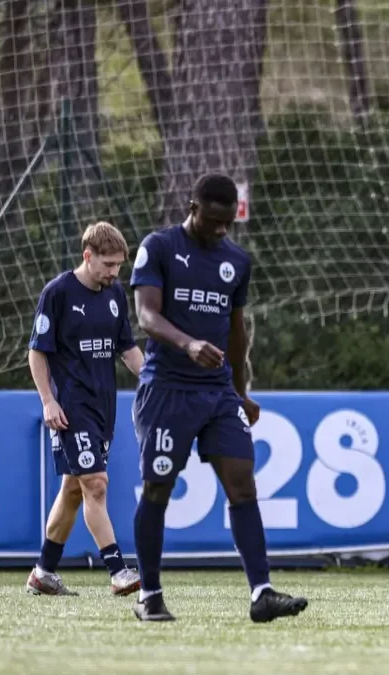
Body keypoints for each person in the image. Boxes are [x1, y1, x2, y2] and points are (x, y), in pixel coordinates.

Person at [130, 173, 308, 622]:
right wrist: (187, 344)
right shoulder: (160, 246)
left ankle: (262, 593)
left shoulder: (236, 261)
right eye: (213, 220)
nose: (221, 230)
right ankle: (148, 594)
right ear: (193, 207)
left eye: (228, 222)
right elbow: (147, 315)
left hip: (217, 393)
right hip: (168, 389)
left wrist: (241, 394)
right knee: (158, 489)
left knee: (243, 484)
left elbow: (236, 332)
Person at [26, 222, 144, 597]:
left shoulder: (115, 296)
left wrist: (155, 381)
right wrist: (48, 400)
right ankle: (117, 570)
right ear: (87, 255)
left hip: (102, 407)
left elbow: (127, 349)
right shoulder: (58, 292)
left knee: (74, 491)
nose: (113, 272)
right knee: (95, 484)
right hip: (70, 408)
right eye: (107, 264)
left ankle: (43, 573)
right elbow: (37, 351)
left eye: (119, 266)